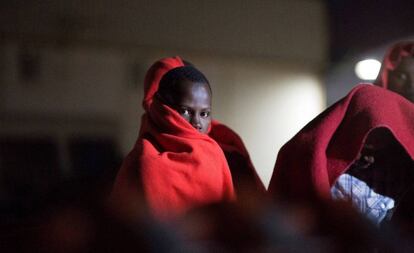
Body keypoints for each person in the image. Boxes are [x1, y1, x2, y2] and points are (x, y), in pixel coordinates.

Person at [110, 56, 263, 221]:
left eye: (204, 114)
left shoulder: (222, 153)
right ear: (163, 110)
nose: (196, 122)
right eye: (185, 111)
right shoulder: (144, 160)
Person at [268, 84, 414, 231]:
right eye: (366, 142)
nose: (369, 156)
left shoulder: (397, 172)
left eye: (381, 145)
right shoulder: (316, 157)